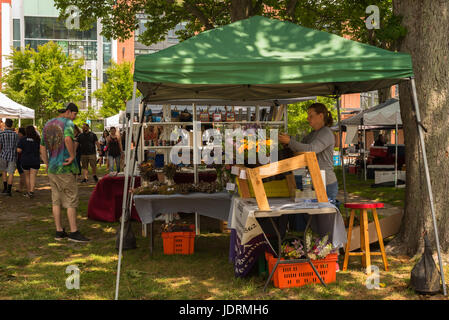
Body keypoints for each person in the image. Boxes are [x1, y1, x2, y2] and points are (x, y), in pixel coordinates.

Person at [40, 102, 89, 242]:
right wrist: (73, 155)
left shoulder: (48, 123)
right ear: (68, 112)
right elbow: (68, 138)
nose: (74, 118)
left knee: (56, 200)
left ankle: (59, 231)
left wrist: (47, 163)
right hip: (65, 168)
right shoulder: (67, 123)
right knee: (71, 199)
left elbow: (42, 147)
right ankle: (74, 232)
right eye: (74, 114)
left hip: (52, 168)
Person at [279, 103, 338, 201]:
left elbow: (312, 150)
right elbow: (300, 147)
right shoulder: (312, 134)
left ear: (320, 116)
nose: (307, 118)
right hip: (313, 181)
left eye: (311, 116)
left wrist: (290, 141)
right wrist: (287, 143)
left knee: (324, 214)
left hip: (326, 183)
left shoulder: (326, 132)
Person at [17, 126, 41, 198]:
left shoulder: (23, 139)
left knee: (27, 177)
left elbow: (19, 150)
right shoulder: (37, 139)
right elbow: (41, 150)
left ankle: (28, 192)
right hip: (35, 160)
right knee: (33, 176)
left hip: (25, 160)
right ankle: (31, 191)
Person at [0, 119, 19, 197]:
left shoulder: (1, 134)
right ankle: (9, 191)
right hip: (12, 155)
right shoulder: (15, 135)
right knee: (11, 173)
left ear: (5, 124)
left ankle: (4, 189)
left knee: (4, 171)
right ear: (12, 125)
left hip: (3, 155)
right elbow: (17, 145)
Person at [16, 127, 27, 194]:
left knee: (22, 174)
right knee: (22, 174)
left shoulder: (21, 140)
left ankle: (25, 188)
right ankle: (21, 187)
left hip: (20, 158)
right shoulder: (26, 139)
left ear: (20, 133)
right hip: (24, 158)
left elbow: (19, 150)